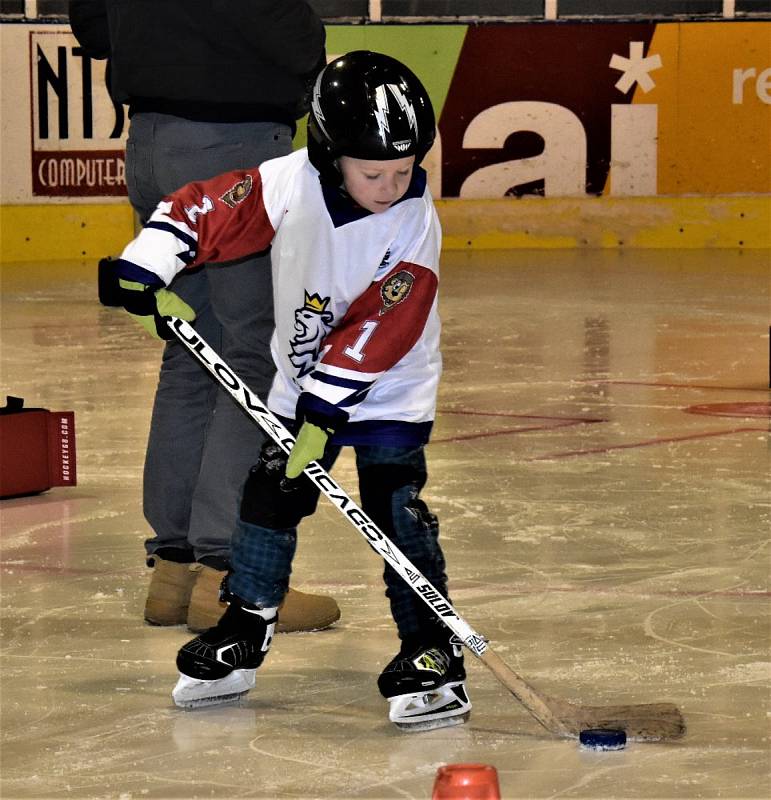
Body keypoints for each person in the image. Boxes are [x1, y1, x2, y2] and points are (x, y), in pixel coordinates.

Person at [108, 51, 470, 732]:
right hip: (299, 387)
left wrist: (328, 403)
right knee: (268, 501)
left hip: (384, 393)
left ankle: (430, 648)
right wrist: (148, 261)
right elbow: (206, 209)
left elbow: (387, 320)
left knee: (396, 513)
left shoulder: (412, 223)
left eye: (403, 170)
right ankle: (245, 627)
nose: (391, 185)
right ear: (330, 153)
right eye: (373, 173)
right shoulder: (287, 182)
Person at [68, 0, 340, 634]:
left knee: (192, 353)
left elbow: (91, 25)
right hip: (234, 143)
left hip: (154, 140)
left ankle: (175, 571)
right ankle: (228, 574)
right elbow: (290, 34)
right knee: (256, 355)